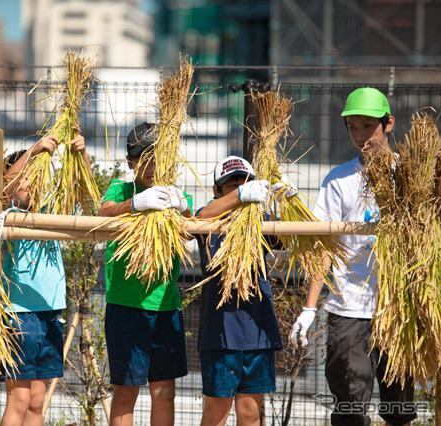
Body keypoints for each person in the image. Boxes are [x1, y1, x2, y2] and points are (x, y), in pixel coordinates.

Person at [290, 87, 416, 426]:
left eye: (367, 126)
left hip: (399, 306)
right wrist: (309, 307)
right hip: (349, 306)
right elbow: (322, 248)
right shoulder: (338, 180)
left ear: (388, 123)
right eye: (352, 127)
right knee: (349, 407)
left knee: (399, 408)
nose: (360, 136)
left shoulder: (411, 176)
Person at [98, 122, 192, 426]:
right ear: (130, 162)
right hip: (126, 307)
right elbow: (103, 213)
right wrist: (135, 203)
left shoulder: (177, 196)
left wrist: (182, 209)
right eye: (143, 157)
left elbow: (192, 234)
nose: (152, 164)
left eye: (159, 156)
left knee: (164, 393)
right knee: (125, 393)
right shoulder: (122, 189)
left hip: (166, 307)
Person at [196, 155, 297, 426]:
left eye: (246, 183)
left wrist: (286, 202)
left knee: (251, 413)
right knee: (216, 412)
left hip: (258, 334)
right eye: (231, 185)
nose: (240, 190)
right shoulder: (208, 223)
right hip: (221, 335)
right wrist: (242, 195)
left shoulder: (260, 222)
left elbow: (288, 237)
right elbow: (202, 214)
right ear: (217, 191)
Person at [0, 131, 90, 426]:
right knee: (19, 398)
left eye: (36, 177)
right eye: (25, 176)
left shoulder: (51, 211)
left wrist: (81, 155)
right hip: (19, 313)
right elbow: (2, 188)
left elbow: (86, 199)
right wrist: (36, 150)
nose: (30, 184)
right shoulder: (5, 212)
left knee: (37, 402)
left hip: (50, 312)